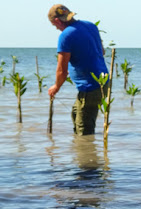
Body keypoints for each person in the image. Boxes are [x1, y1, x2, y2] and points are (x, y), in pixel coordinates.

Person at [47, 4, 108, 135]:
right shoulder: (91, 26)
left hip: (90, 87)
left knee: (84, 130)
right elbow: (101, 51)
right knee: (76, 113)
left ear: (57, 21)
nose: (56, 28)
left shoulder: (66, 36)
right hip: (103, 82)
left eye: (54, 25)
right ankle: (81, 151)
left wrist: (56, 87)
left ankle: (86, 154)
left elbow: (61, 71)